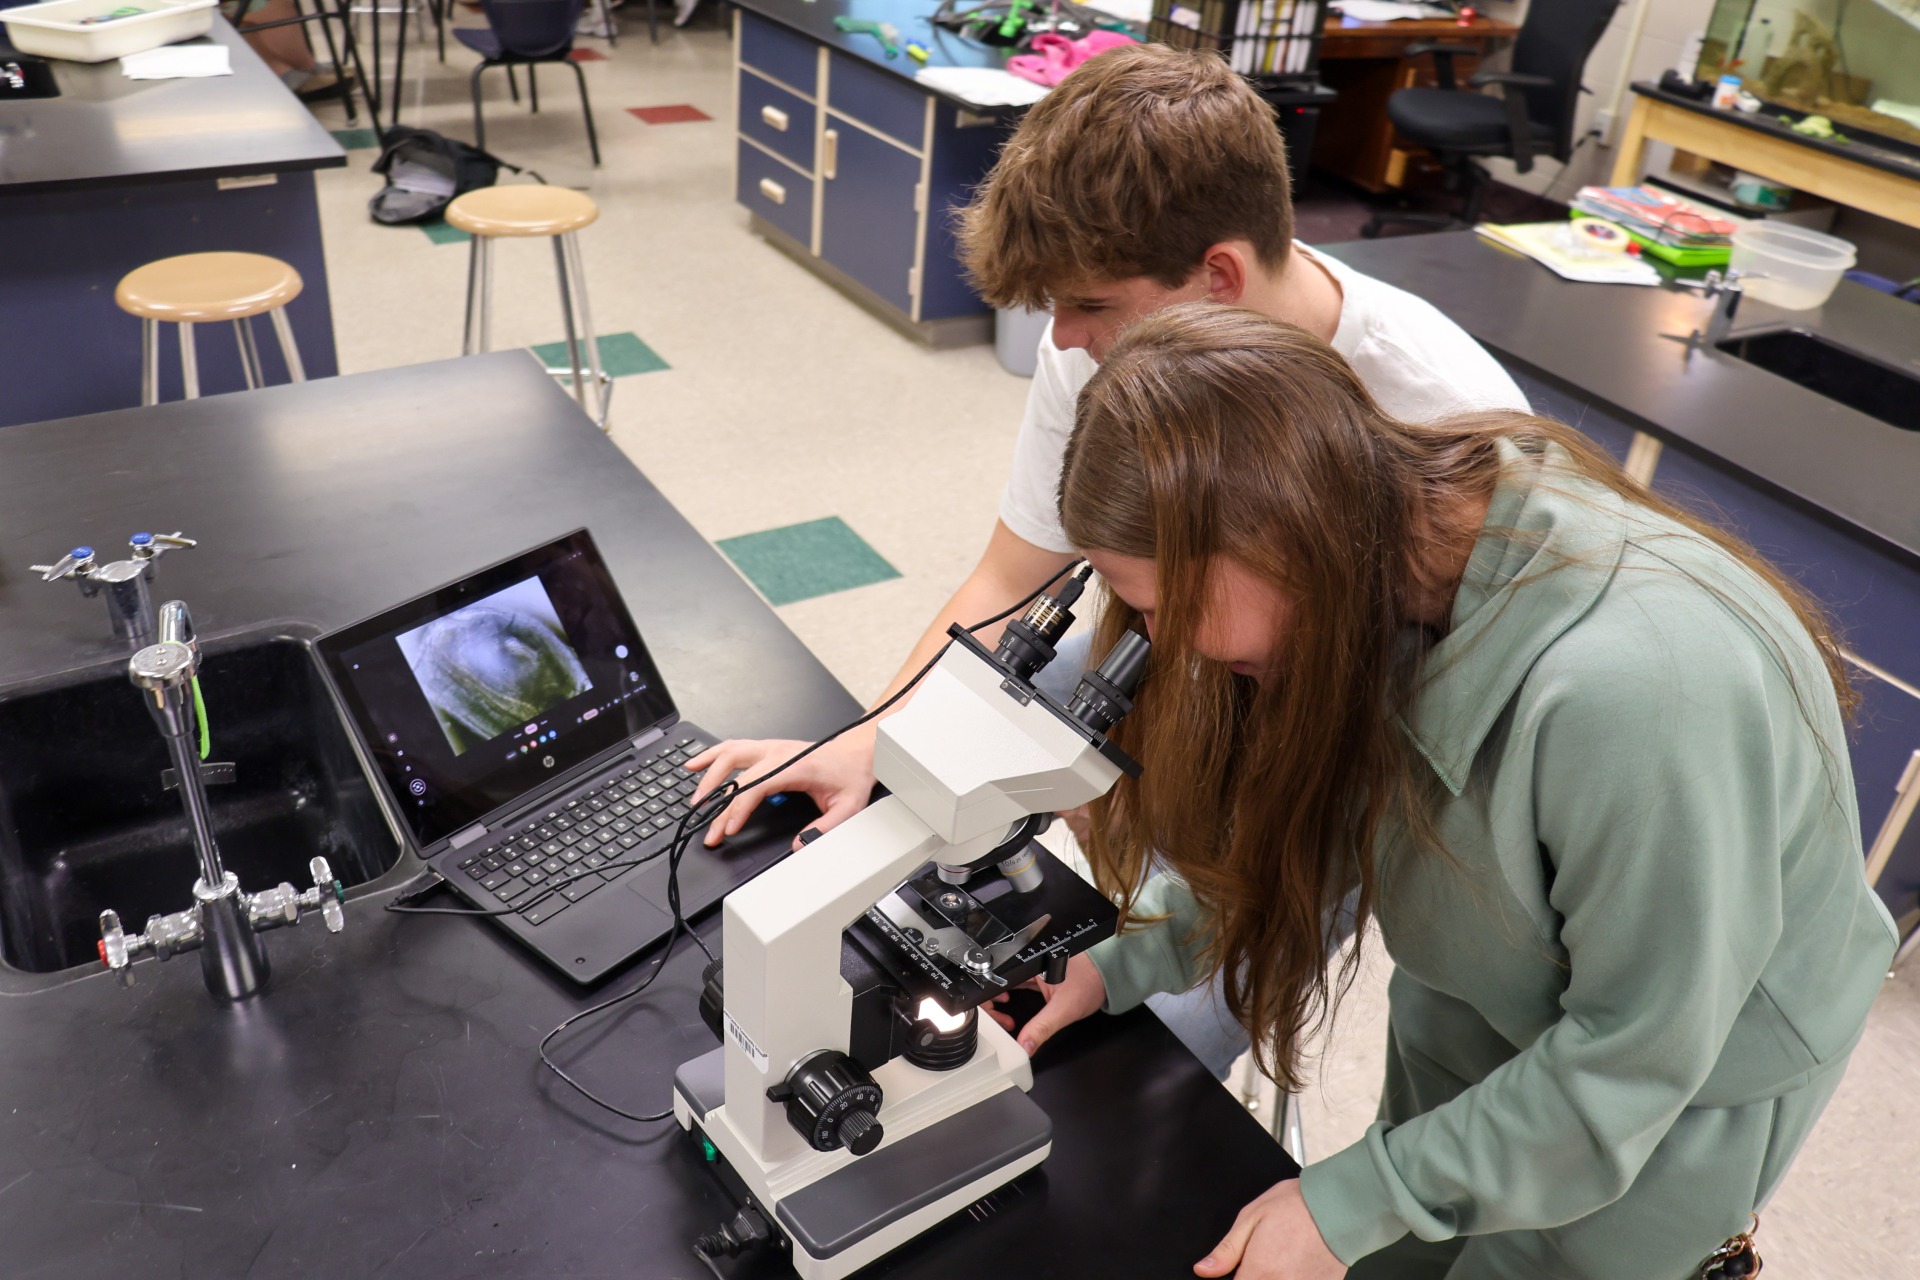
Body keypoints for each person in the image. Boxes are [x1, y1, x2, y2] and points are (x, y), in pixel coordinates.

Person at [1002, 302, 1896, 1279]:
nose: (1162, 642)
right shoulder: (1377, 547)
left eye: (1167, 606)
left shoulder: (1641, 690)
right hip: (1481, 980)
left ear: (1280, 536)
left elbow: (1632, 1062)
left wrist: (1350, 1197)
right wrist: (1114, 954)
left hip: (1667, 1100)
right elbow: (1321, 810)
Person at [684, 44, 1528, 1075]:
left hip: (1348, 749)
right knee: (932, 835)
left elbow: (1391, 788)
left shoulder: (1443, 427)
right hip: (1172, 646)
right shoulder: (1098, 347)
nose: (1064, 339)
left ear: (1216, 277)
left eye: (1089, 305)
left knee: (1147, 1048)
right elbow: (1009, 585)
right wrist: (880, 742)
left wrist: (1157, 925)